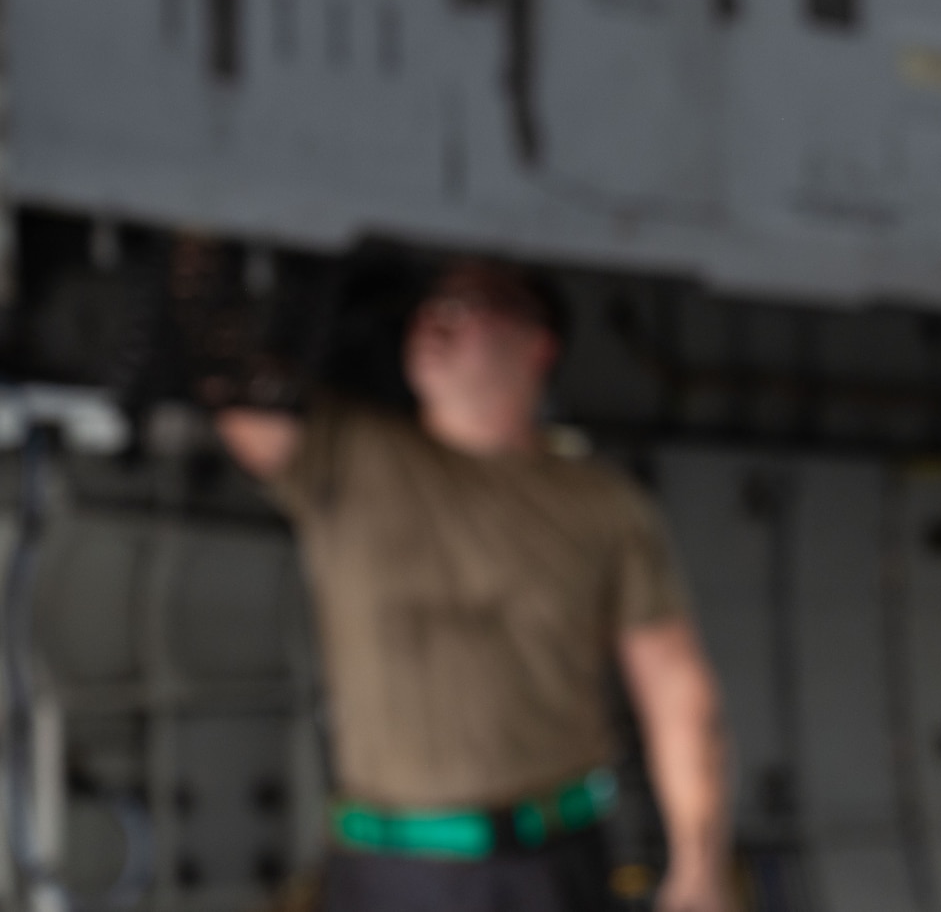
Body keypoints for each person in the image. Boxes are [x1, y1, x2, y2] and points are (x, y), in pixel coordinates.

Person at [216, 258, 732, 912]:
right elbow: (235, 399)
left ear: (539, 345)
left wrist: (699, 868)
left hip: (550, 866)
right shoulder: (347, 452)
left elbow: (675, 687)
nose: (436, 319)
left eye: (469, 304)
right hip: (390, 872)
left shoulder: (603, 505)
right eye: (431, 305)